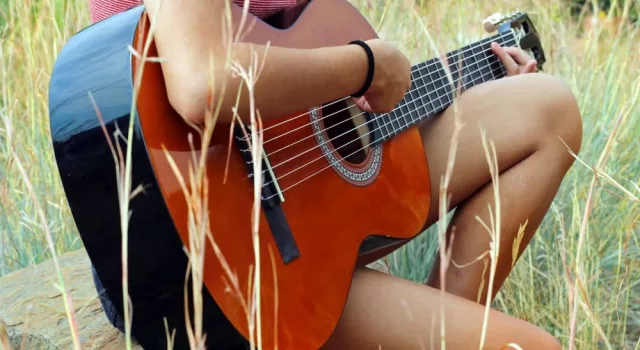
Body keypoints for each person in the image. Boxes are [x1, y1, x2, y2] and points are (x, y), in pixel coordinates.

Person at [87, 0, 582, 349]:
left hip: (308, 195)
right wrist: (365, 67)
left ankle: (437, 327)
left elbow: (312, 104)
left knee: (549, 109)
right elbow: (201, 82)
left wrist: (458, 83)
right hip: (223, 257)